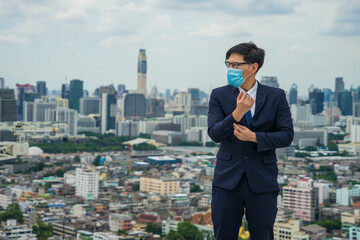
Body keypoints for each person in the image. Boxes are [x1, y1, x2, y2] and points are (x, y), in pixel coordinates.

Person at [207, 42, 294, 240]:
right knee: (223, 235)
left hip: (262, 180)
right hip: (227, 180)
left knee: (263, 235)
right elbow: (214, 133)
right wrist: (237, 113)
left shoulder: (276, 96)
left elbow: (287, 135)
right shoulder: (219, 95)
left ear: (253, 67)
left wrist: (254, 137)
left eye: (236, 65)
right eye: (228, 64)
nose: (231, 69)